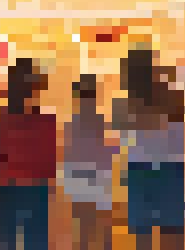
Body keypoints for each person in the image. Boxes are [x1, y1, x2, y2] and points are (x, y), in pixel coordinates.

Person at [117, 46, 185, 250]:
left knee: (143, 237)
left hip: (140, 170)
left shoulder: (126, 103)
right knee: (173, 234)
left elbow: (122, 136)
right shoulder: (172, 96)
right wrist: (168, 78)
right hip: (170, 169)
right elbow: (179, 124)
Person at [0, 57, 59, 250]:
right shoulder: (46, 123)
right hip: (35, 189)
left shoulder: (1, 121)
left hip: (5, 188)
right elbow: (50, 164)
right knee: (36, 242)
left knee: (4, 243)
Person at [60, 75, 118, 250]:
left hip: (84, 180)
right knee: (98, 227)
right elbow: (104, 153)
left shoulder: (73, 123)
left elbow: (70, 154)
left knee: (86, 228)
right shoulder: (98, 121)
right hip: (94, 180)